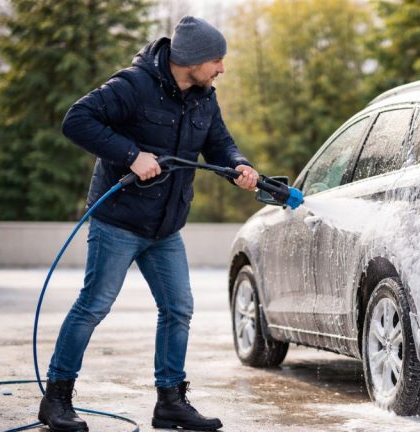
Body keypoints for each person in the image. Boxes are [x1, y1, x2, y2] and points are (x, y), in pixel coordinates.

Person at [38, 16, 255, 432]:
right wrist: (131, 154)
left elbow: (219, 143)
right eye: (216, 60)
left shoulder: (204, 96)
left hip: (166, 228)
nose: (221, 68)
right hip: (118, 220)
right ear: (189, 59)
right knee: (94, 306)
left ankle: (170, 402)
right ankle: (57, 400)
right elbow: (76, 120)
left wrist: (239, 165)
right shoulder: (133, 86)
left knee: (178, 309)